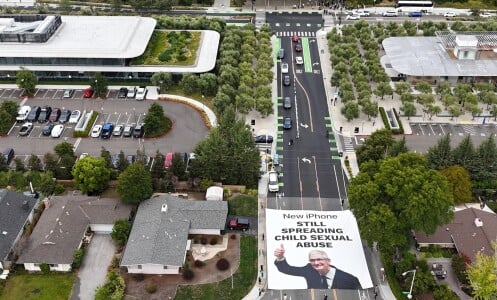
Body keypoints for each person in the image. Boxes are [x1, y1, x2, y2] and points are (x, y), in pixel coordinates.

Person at [273, 245, 362, 290]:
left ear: (328, 261)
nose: (316, 263)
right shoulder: (309, 270)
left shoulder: (350, 279)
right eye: (312, 260)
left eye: (319, 259)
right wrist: (280, 257)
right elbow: (287, 269)